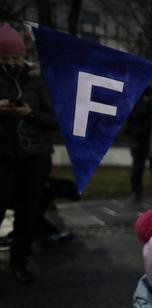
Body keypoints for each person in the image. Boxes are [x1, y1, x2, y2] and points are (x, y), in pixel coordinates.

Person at [0, 23, 58, 283]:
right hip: (2, 156)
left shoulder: (37, 83)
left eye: (15, 57)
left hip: (35, 156)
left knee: (27, 213)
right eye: (5, 58)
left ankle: (19, 263)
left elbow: (55, 120)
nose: (12, 62)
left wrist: (30, 113)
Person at [126, 85, 152, 203]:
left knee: (137, 167)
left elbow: (128, 124)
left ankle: (136, 192)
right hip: (150, 141)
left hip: (137, 141)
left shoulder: (133, 104)